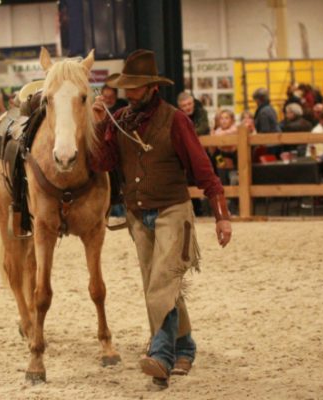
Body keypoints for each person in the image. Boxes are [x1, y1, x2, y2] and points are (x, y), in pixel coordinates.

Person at [91, 49, 232, 388]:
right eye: (127, 86)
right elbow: (104, 163)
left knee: (160, 285)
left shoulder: (176, 120)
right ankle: (186, 347)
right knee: (161, 286)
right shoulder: (120, 119)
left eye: (135, 87)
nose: (128, 92)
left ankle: (161, 356)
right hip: (138, 215)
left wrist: (221, 216)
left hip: (173, 211)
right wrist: (97, 127)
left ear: (152, 87)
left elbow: (203, 170)